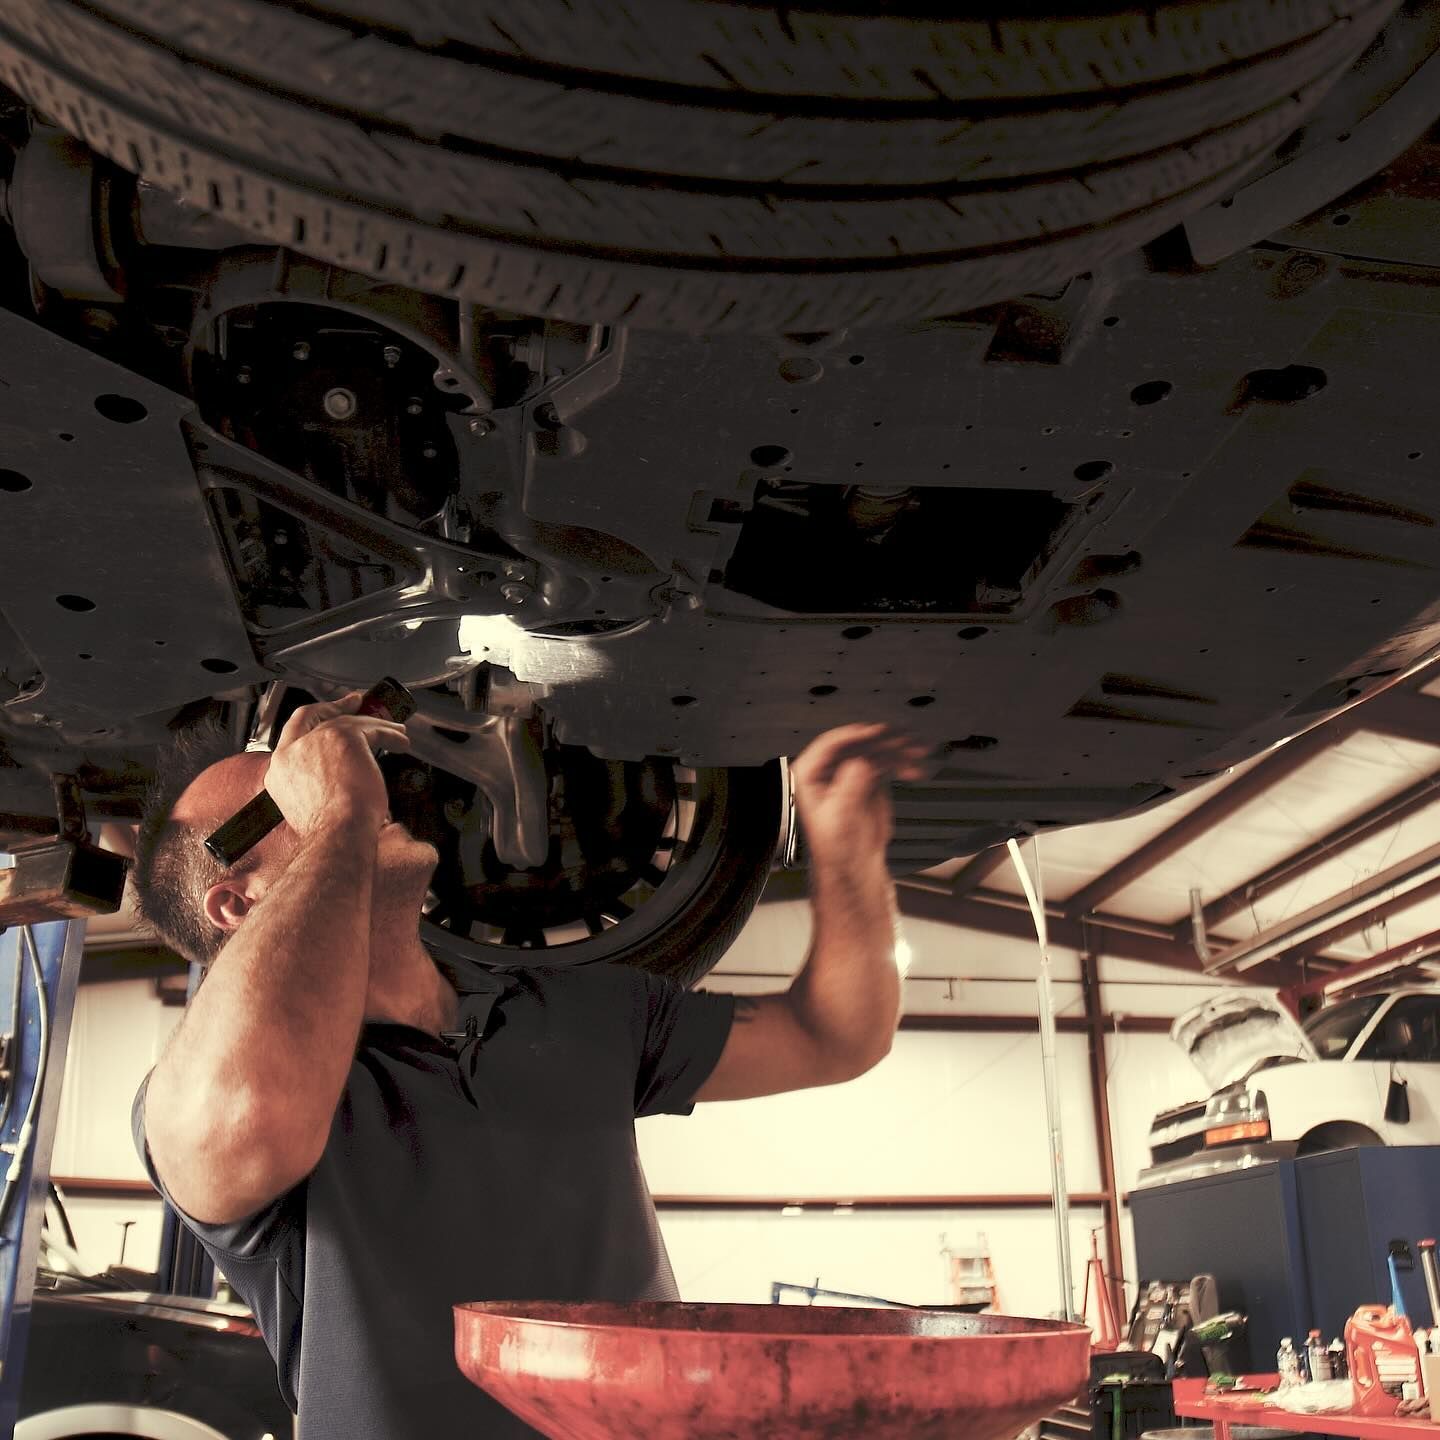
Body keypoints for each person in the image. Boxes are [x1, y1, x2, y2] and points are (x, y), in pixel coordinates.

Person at [129, 692, 928, 1438]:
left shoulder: (582, 1008)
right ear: (236, 903)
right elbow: (239, 1115)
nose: (347, 782)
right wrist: (339, 814)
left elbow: (833, 1035)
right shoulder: (216, 1093)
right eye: (282, 796)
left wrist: (844, 843)